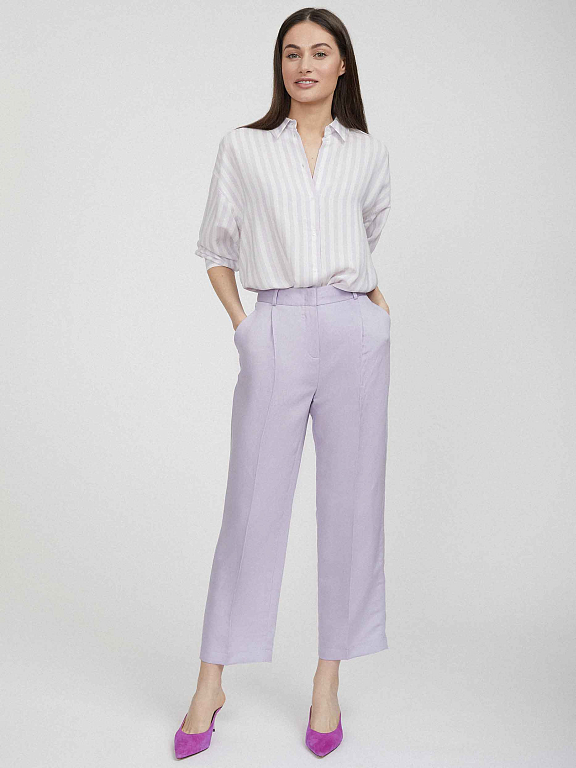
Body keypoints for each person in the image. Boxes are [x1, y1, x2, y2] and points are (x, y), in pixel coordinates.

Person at [175, 7, 392, 759]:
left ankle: (327, 681)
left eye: (320, 52)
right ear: (281, 66)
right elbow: (216, 249)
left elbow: (365, 236)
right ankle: (210, 681)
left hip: (353, 331)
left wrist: (373, 310)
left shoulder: (367, 153)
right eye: (292, 53)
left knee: (352, 507)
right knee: (250, 507)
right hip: (276, 326)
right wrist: (247, 328)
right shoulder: (244, 147)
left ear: (342, 65)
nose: (304, 65)